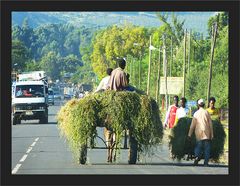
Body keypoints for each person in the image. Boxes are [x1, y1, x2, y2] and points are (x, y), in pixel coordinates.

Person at [188, 98, 214, 167]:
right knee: (207, 148)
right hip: (207, 133)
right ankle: (205, 163)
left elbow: (192, 126)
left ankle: (197, 156)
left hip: (198, 133)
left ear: (198, 105)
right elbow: (210, 124)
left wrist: (189, 135)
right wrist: (212, 134)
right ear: (204, 105)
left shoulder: (196, 113)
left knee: (198, 146)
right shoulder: (206, 112)